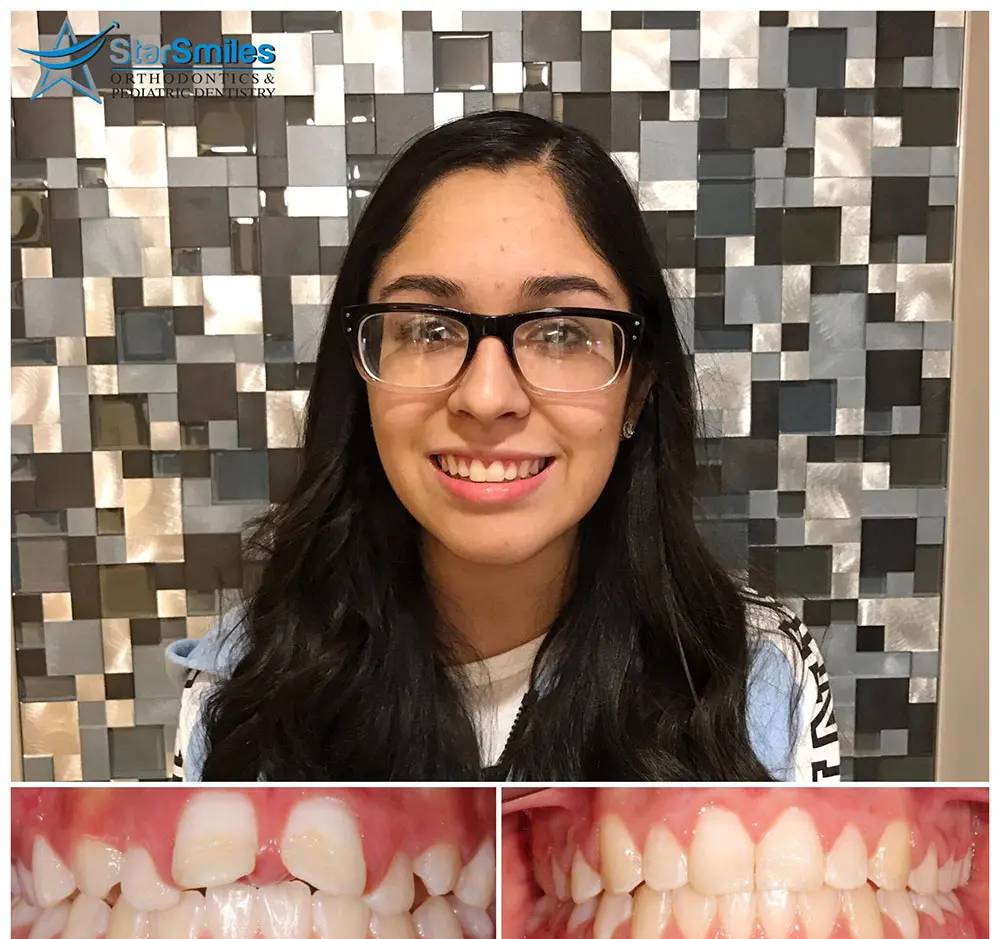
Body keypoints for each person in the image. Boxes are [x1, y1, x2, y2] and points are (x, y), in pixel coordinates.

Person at [166, 110, 839, 782]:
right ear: (362, 371)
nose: (487, 398)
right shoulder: (244, 686)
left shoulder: (759, 678)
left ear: (637, 388)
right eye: (428, 330)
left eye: (561, 332)